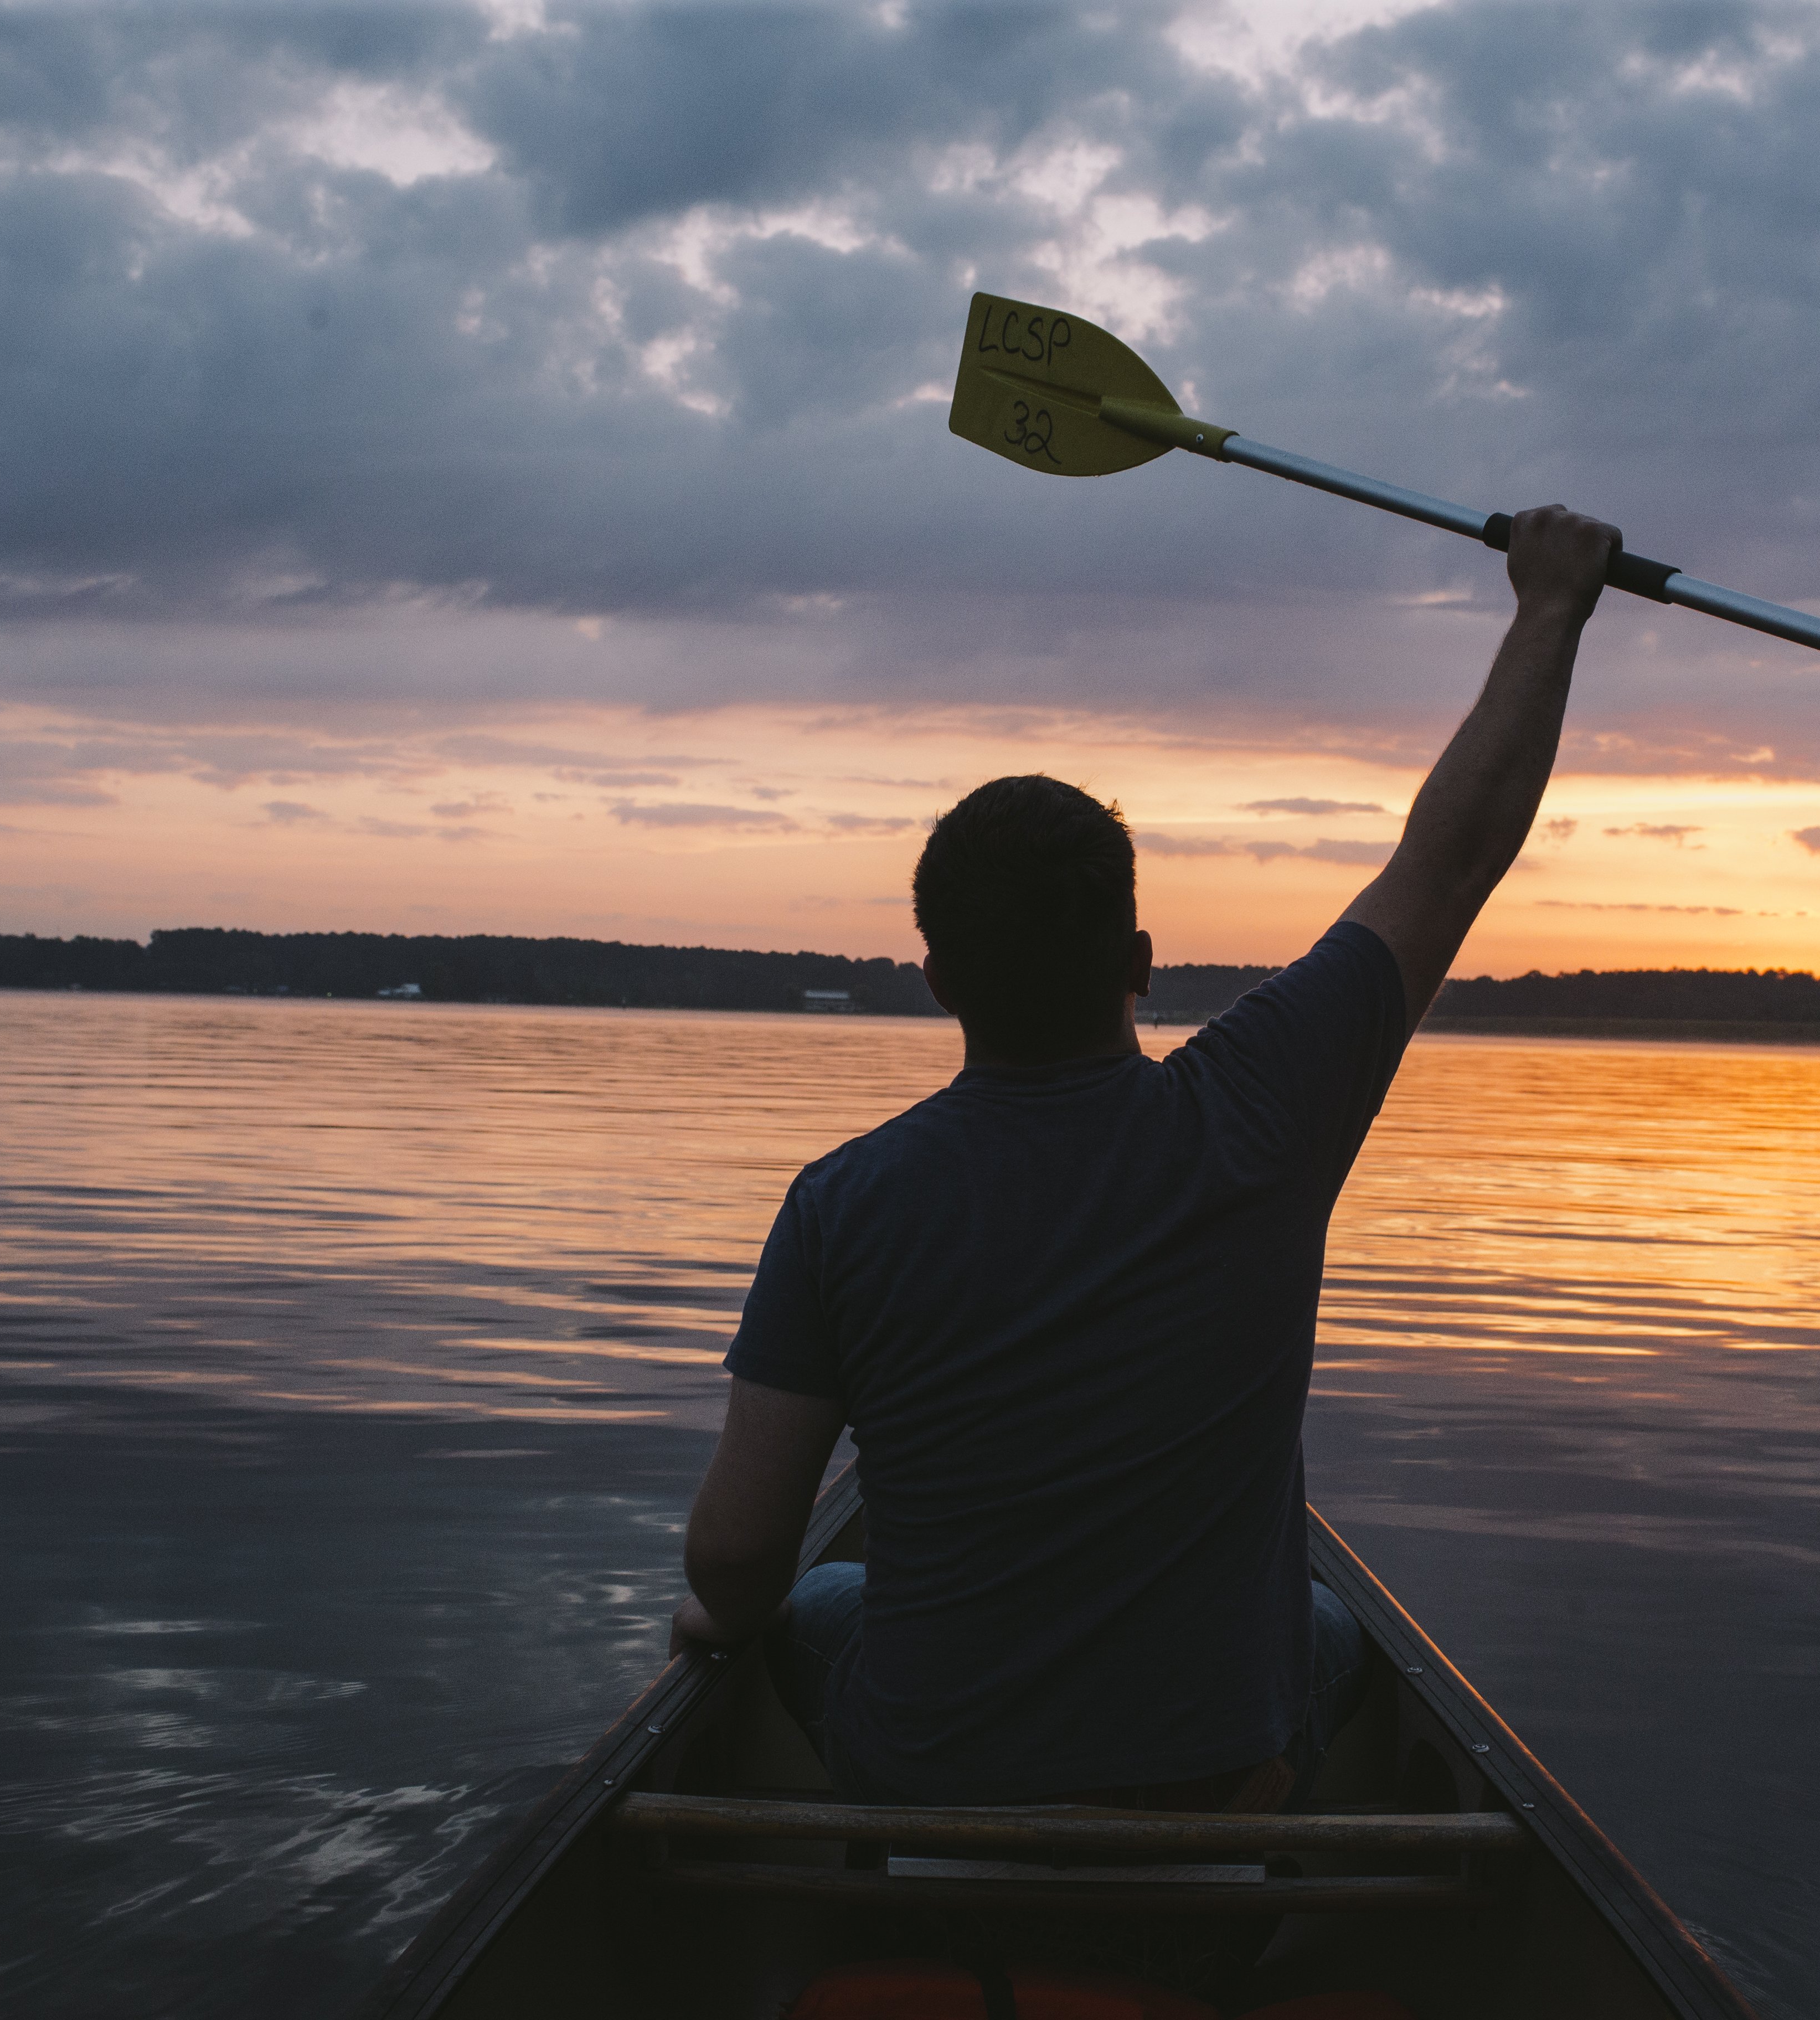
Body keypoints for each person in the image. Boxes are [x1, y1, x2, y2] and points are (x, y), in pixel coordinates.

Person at [667, 506, 1622, 1809]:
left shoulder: (842, 1206)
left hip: (933, 1794)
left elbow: (733, 1564)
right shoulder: (1265, 1109)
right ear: (1140, 963)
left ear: (938, 979)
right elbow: (1451, 857)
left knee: (814, 1602)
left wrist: (725, 1626)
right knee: (1331, 1634)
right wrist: (1551, 604)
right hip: (1213, 1796)